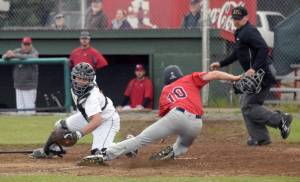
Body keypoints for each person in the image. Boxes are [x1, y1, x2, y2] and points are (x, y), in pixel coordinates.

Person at [78, 65, 241, 165]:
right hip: (197, 124)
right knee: (183, 145)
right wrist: (234, 77)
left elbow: (165, 117)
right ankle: (173, 152)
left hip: (176, 116)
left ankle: (105, 154)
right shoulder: (189, 79)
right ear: (180, 74)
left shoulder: (165, 90)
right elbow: (214, 74)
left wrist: (164, 132)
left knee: (140, 140)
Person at [210, 6, 293, 146]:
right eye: (234, 18)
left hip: (262, 73)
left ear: (246, 18)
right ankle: (261, 137)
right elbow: (238, 53)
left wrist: (254, 68)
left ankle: (280, 120)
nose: (236, 21)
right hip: (258, 73)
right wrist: (221, 63)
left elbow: (263, 48)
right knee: (248, 105)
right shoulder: (240, 32)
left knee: (248, 105)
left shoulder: (249, 31)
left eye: (239, 19)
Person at [30, 62, 120, 158]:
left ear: (90, 80)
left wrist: (78, 134)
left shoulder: (92, 96)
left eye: (85, 79)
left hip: (106, 120)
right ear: (74, 77)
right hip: (88, 116)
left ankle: (126, 147)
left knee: (99, 154)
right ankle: (52, 150)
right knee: (61, 126)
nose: (81, 81)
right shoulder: (75, 86)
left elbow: (97, 120)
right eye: (79, 78)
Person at [2, 37, 39, 114]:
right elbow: (4, 57)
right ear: (22, 44)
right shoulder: (18, 51)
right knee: (20, 111)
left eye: (28, 44)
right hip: (18, 86)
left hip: (29, 87)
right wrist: (8, 55)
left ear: (31, 45)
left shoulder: (34, 52)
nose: (26, 46)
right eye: (24, 44)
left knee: (30, 111)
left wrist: (14, 55)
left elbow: (32, 57)